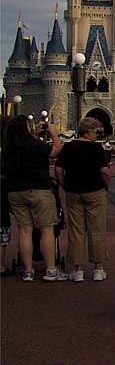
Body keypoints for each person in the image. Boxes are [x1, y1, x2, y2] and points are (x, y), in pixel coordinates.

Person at [1, 115, 69, 282]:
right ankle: (51, 270)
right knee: (46, 229)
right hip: (38, 190)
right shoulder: (34, 145)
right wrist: (52, 132)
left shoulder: (8, 148)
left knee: (24, 231)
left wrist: (36, 135)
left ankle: (28, 271)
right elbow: (56, 151)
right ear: (25, 128)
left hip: (16, 192)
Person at [55, 117, 111, 282]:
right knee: (97, 230)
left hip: (73, 192)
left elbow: (58, 170)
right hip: (95, 192)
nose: (96, 135)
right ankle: (98, 270)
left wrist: (64, 184)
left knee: (76, 231)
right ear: (87, 132)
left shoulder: (69, 147)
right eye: (95, 132)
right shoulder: (95, 148)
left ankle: (77, 271)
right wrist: (106, 186)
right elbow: (105, 172)